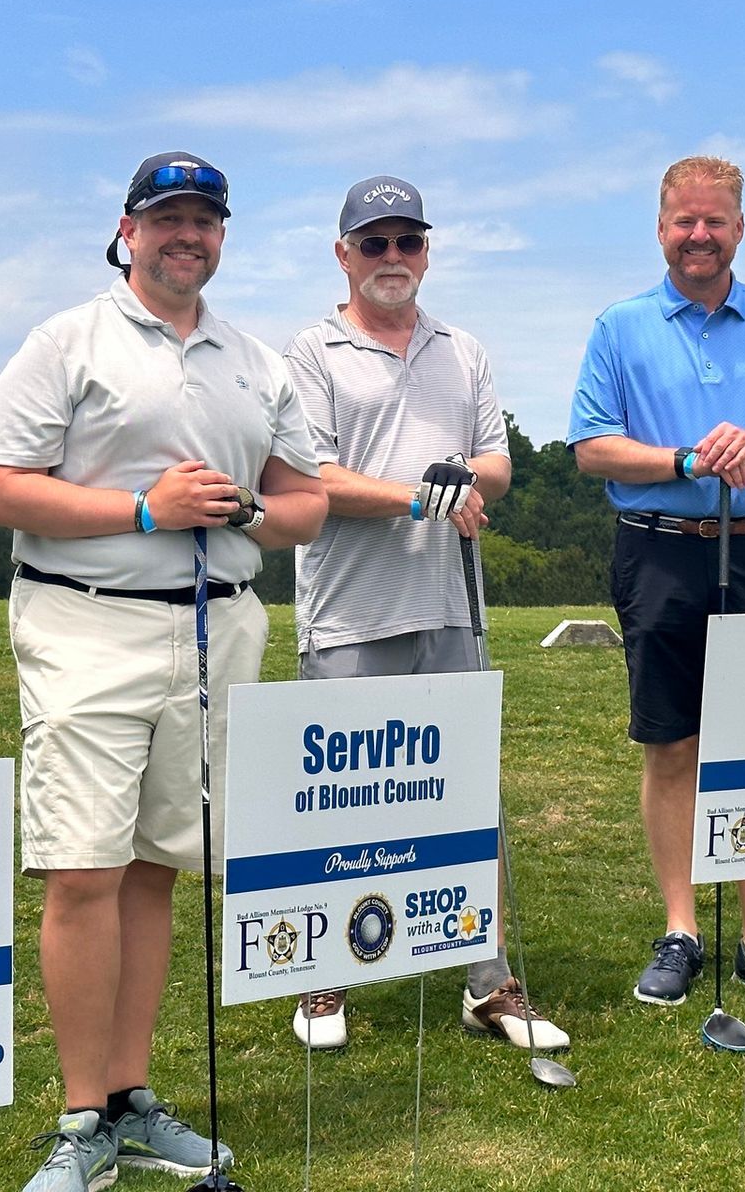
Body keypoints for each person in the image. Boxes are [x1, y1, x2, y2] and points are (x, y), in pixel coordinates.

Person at [0, 152, 326, 1190]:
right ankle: (83, 1118)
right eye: (168, 217)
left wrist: (247, 512)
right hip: (86, 626)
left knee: (155, 868)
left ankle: (131, 1098)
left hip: (218, 628)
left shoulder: (255, 361)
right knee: (82, 868)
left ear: (223, 236)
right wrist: (143, 511)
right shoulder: (67, 342)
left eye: (206, 220)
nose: (188, 235)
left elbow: (302, 501)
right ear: (128, 230)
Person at [280, 174, 569, 1053]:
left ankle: (489, 982)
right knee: (338, 808)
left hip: (450, 603)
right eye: (375, 243)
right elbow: (315, 480)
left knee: (463, 799)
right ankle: (321, 979)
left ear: (428, 251)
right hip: (349, 612)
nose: (393, 258)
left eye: (408, 242)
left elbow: (498, 463)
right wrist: (421, 499)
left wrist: (453, 490)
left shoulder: (463, 350)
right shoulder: (311, 352)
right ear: (344, 255)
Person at [567, 154, 745, 1015]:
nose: (699, 235)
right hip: (656, 551)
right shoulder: (620, 325)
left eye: (714, 221)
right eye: (684, 221)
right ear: (661, 229)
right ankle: (683, 929)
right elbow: (590, 448)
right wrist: (686, 459)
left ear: (739, 229)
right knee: (672, 743)